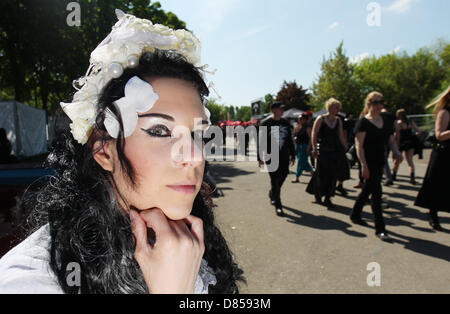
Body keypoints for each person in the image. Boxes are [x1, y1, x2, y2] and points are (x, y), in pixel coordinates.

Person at [0, 10, 244, 294]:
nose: (195, 156)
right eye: (159, 131)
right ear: (104, 151)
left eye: (198, 134)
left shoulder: (195, 244)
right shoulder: (31, 281)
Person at [350, 92, 402, 242]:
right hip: (368, 161)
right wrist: (364, 165)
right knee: (376, 193)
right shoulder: (363, 123)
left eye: (381, 102)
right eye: (375, 102)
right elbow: (359, 146)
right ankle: (380, 228)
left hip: (380, 160)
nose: (379, 105)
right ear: (369, 104)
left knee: (368, 188)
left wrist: (397, 153)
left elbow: (391, 140)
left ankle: (355, 213)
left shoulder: (385, 120)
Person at [415, 86, 450, 231]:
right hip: (443, 153)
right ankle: (433, 215)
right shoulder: (445, 112)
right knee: (436, 185)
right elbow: (439, 135)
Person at [307, 98, 347, 209]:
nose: (337, 109)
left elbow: (340, 135)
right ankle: (318, 193)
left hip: (334, 150)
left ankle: (328, 197)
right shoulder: (321, 119)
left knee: (333, 175)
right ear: (329, 107)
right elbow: (314, 134)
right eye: (335, 107)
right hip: (322, 149)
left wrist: (345, 147)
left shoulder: (338, 120)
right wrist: (314, 148)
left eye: (338, 107)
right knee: (321, 174)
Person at [258, 102, 296, 217]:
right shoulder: (266, 123)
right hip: (271, 155)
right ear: (274, 110)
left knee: (283, 176)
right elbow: (261, 141)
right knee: (274, 180)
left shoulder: (285, 123)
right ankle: (278, 205)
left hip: (284, 155)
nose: (282, 110)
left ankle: (272, 193)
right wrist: (259, 157)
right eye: (280, 108)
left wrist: (293, 155)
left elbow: (290, 140)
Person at [392, 109, 421, 185]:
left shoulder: (398, 123)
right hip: (410, 142)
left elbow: (397, 134)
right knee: (410, 160)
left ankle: (394, 175)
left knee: (397, 159)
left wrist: (396, 144)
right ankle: (412, 177)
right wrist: (413, 136)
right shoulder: (410, 122)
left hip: (401, 141)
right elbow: (419, 131)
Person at [291, 113, 314, 183]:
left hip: (304, 146)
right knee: (303, 162)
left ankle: (297, 177)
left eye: (301, 118)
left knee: (301, 162)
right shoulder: (299, 126)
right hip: (298, 146)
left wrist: (309, 147)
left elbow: (311, 138)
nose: (299, 120)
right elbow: (294, 133)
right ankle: (314, 175)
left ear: (305, 119)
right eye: (299, 118)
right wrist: (295, 137)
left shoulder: (307, 127)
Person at [380, 106, 397, 186]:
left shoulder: (380, 115)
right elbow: (396, 129)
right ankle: (388, 176)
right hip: (389, 139)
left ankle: (387, 177)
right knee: (384, 159)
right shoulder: (392, 116)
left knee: (383, 160)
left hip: (381, 140)